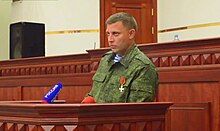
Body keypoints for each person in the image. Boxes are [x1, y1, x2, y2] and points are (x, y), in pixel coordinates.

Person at [82, 12, 158, 103]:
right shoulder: (105, 60)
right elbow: (94, 94)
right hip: (96, 116)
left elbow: (137, 111)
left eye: (115, 34)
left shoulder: (142, 67)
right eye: (108, 34)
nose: (110, 39)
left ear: (131, 34)